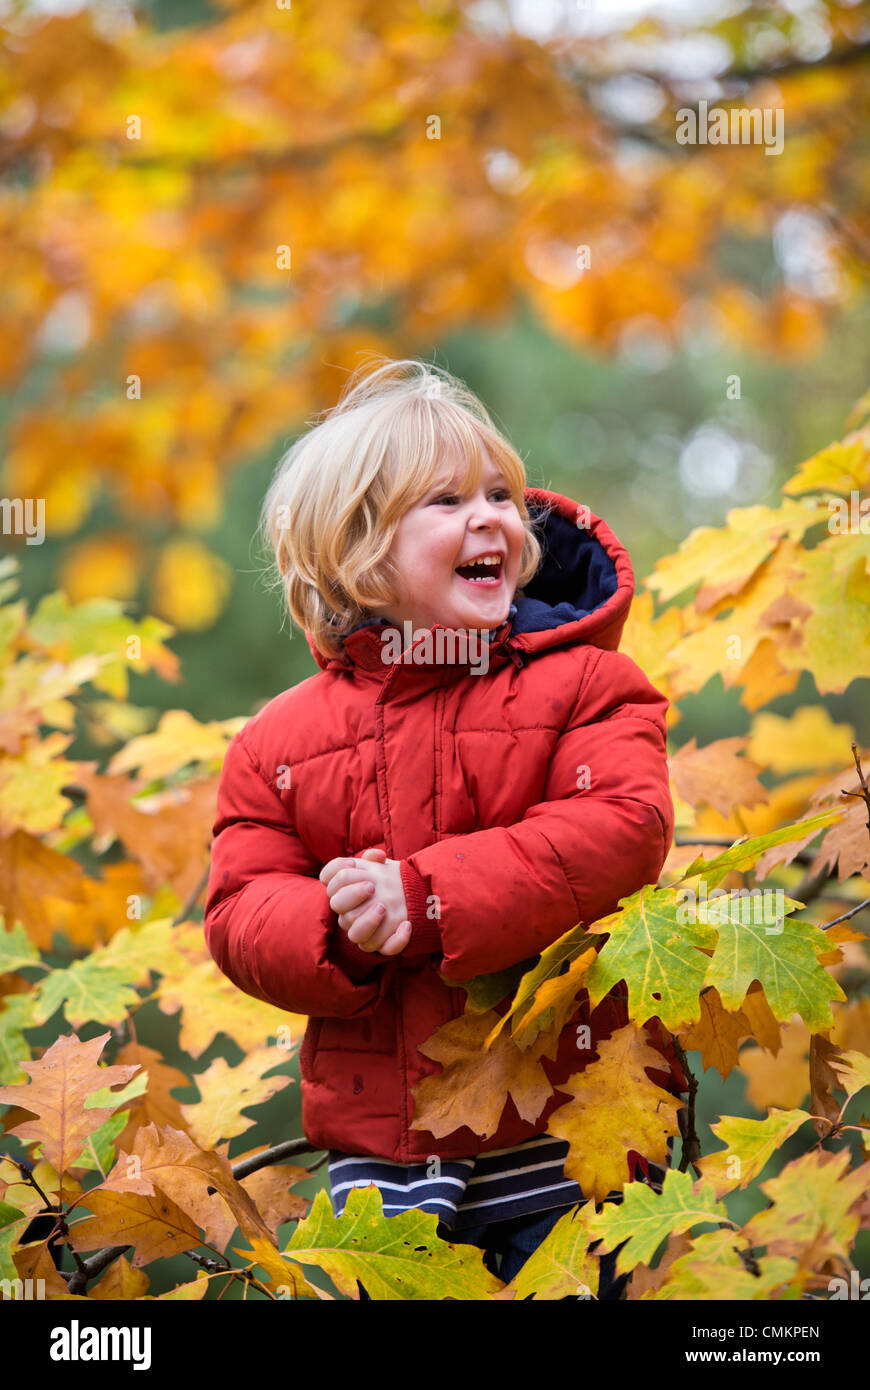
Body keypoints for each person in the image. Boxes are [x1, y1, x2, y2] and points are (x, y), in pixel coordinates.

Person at [204, 356, 687, 1301]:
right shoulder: (277, 741)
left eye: (501, 493)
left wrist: (425, 897)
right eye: (446, 500)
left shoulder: (583, 684)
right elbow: (238, 906)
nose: (492, 518)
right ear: (355, 551)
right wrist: (334, 930)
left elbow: (624, 824)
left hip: (567, 1127)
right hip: (384, 1157)